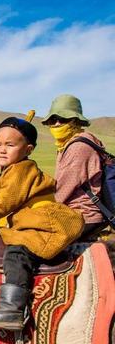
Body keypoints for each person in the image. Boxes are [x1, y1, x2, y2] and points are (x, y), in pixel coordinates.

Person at [0, 117, 84, 330]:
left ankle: (11, 310)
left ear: (28, 149)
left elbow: (3, 201)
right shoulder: (10, 171)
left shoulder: (22, 169)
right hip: (30, 221)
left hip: (42, 224)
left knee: (17, 253)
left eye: (10, 145)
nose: (2, 150)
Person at [42, 94, 107, 240]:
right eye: (53, 120)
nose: (57, 124)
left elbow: (61, 192)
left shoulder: (78, 147)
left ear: (76, 121)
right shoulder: (67, 144)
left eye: (63, 119)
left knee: (24, 246)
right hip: (73, 214)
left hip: (81, 216)